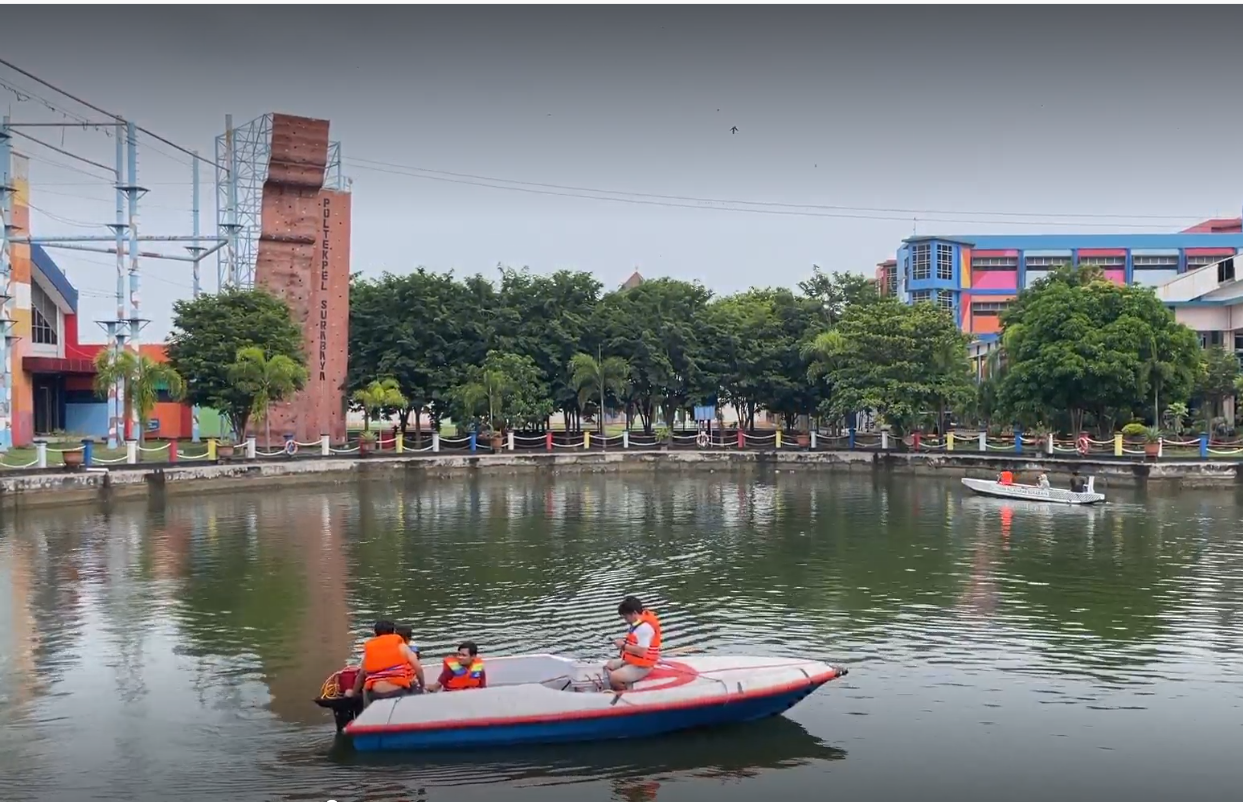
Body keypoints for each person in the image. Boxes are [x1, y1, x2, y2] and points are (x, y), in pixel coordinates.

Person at [346, 620, 425, 704]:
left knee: (365, 689)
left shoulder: (370, 651)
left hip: (375, 694)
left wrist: (353, 693)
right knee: (415, 688)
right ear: (394, 632)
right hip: (398, 692)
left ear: (375, 634)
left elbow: (361, 677)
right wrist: (422, 685)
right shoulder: (401, 646)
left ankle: (368, 712)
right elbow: (418, 669)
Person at [605, 596, 663, 691]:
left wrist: (623, 646)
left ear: (634, 613)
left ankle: (623, 692)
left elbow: (642, 652)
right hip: (634, 660)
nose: (625, 620)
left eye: (626, 617)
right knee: (609, 665)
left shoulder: (644, 628)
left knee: (614, 677)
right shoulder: (639, 621)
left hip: (643, 666)